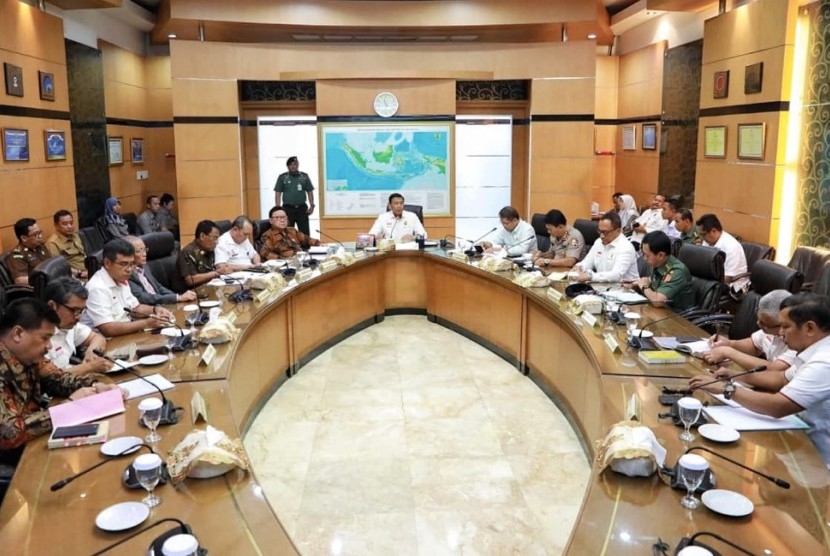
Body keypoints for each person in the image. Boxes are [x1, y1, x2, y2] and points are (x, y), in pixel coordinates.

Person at [690, 293, 830, 466]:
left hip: (817, 458)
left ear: (809, 328)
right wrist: (734, 376)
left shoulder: (825, 361)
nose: (780, 332)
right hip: (793, 436)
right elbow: (780, 379)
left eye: (786, 326)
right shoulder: (812, 351)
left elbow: (778, 406)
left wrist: (726, 389)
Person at [0, 298, 121, 452]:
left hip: (35, 441)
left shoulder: (28, 356)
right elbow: (9, 434)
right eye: (45, 338)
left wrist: (95, 386)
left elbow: (58, 378)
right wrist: (67, 407)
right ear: (17, 333)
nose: (49, 346)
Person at [80, 239, 174, 336]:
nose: (129, 270)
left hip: (125, 336)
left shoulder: (121, 279)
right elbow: (108, 329)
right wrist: (147, 323)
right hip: (106, 343)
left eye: (131, 264)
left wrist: (155, 309)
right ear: (107, 263)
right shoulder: (97, 287)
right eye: (124, 264)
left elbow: (136, 308)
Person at [702, 290, 796, 384]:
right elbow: (754, 345)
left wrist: (729, 352)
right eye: (758, 319)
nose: (758, 324)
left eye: (764, 323)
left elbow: (775, 370)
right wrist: (730, 344)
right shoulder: (770, 328)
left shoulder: (798, 340)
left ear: (782, 325)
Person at [43, 277, 109, 376]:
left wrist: (91, 353)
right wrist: (89, 367)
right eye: (74, 310)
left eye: (81, 311)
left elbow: (97, 338)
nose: (78, 317)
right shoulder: (36, 336)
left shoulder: (68, 324)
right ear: (52, 306)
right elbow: (48, 378)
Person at [628, 231, 694, 311]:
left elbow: (657, 301)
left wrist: (644, 286)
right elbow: (652, 281)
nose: (644, 258)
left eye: (647, 255)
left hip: (678, 318)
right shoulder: (659, 264)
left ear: (660, 255)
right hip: (660, 311)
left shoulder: (677, 271)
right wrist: (636, 284)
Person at [126, 236, 197, 305]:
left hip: (161, 304)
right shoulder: (128, 274)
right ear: (128, 254)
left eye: (145, 250)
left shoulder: (145, 266)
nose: (144, 254)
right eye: (139, 251)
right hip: (150, 309)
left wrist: (177, 297)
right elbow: (143, 298)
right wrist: (177, 298)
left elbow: (158, 287)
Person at [572, 211, 638, 283]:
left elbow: (616, 275)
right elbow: (587, 262)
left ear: (618, 231)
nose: (601, 236)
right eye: (599, 231)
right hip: (602, 286)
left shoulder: (626, 247)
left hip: (622, 289)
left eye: (605, 232)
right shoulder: (598, 242)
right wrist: (579, 267)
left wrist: (590, 276)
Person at [695, 213, 748, 291]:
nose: (702, 238)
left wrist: (707, 280)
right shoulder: (707, 241)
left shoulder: (731, 246)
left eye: (703, 234)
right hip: (711, 278)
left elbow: (729, 277)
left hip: (731, 285)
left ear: (713, 231)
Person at [178, 220, 229, 288]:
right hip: (191, 293)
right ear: (202, 236)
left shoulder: (209, 249)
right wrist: (216, 273)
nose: (216, 242)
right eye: (215, 238)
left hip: (209, 287)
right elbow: (190, 280)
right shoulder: (187, 252)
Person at [274, 156, 315, 235]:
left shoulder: (304, 176)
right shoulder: (282, 177)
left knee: (304, 233)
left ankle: (305, 247)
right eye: (291, 164)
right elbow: (278, 193)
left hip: (302, 208)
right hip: (288, 209)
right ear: (288, 166)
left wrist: (312, 205)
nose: (293, 166)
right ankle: (289, 247)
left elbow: (310, 191)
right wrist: (278, 209)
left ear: (298, 165)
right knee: (288, 233)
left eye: (295, 164)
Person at [45, 210, 87, 279]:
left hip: (88, 270)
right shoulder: (53, 243)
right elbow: (58, 267)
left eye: (71, 223)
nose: (69, 226)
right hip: (76, 277)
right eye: (65, 224)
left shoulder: (75, 236)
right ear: (56, 225)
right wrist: (80, 273)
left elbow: (82, 254)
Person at [7, 218, 50, 285]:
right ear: (24, 238)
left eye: (40, 232)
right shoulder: (17, 255)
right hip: (39, 289)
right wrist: (47, 277)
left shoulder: (40, 247)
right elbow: (20, 280)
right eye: (35, 234)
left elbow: (51, 262)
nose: (40, 236)